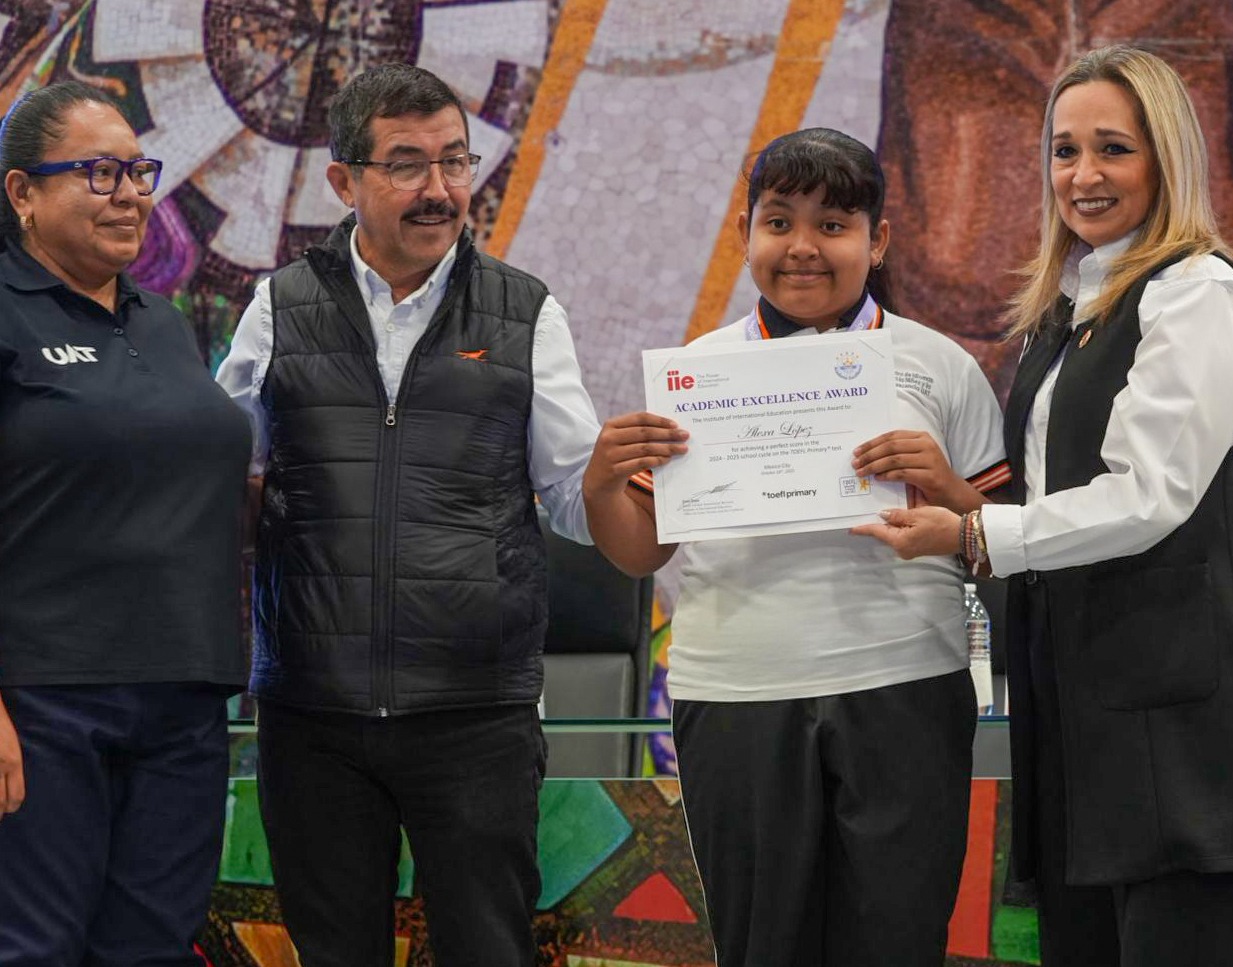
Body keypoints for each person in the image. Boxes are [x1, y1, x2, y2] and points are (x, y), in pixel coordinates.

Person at [854, 46, 1233, 967]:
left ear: (1166, 158)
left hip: (1195, 728)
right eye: (1063, 151)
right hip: (1090, 718)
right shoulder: (1072, 304)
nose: (1082, 175)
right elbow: (1065, 497)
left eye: (1113, 148)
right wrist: (957, 496)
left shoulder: (1196, 294)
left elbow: (1148, 495)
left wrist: (974, 531)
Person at [583, 128, 1009, 967]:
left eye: (833, 225)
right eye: (778, 222)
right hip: (736, 691)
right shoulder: (696, 375)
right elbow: (637, 554)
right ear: (744, 232)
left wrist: (946, 488)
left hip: (903, 686)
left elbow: (1001, 546)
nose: (803, 247)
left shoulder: (940, 366)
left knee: (897, 942)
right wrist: (602, 484)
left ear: (877, 241)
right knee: (760, 945)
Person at [216, 63, 601, 966]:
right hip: (313, 711)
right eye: (406, 164)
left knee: (488, 949)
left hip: (475, 713)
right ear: (343, 181)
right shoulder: (278, 306)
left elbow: (575, 500)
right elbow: (227, 481)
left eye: (454, 161)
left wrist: (643, 478)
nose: (439, 189)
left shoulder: (525, 311)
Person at [0, 82, 251, 965]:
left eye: (139, 173)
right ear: (23, 192)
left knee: (151, 948)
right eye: (99, 173)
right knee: (35, 948)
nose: (131, 194)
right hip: (43, 701)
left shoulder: (163, 323)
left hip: (183, 695)